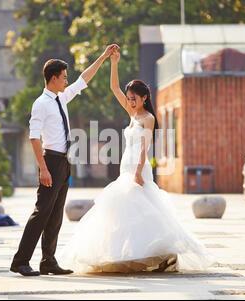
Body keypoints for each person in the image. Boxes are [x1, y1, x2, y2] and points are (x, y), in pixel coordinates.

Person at [58, 48, 216, 273]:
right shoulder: (132, 114)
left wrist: (139, 172)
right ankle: (127, 255)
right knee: (127, 211)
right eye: (129, 99)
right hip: (126, 165)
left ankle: (159, 255)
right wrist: (113, 62)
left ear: (144, 98)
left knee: (143, 209)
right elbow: (114, 88)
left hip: (138, 168)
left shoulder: (148, 118)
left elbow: (145, 148)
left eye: (134, 99)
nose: (131, 102)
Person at [10, 44, 120, 276]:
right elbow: (33, 138)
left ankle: (48, 261)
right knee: (41, 213)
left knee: (56, 215)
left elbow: (84, 78)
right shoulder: (41, 103)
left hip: (63, 162)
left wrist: (103, 56)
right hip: (50, 162)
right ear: (52, 79)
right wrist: (43, 169)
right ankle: (20, 261)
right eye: (63, 78)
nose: (66, 82)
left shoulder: (60, 99)